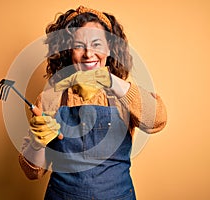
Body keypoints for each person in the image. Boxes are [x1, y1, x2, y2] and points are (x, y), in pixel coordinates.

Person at [18, 6, 167, 200]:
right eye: (79, 45)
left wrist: (111, 82)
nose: (89, 54)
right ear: (68, 51)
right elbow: (32, 173)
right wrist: (37, 143)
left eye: (97, 44)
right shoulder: (50, 98)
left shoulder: (124, 93)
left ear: (110, 48)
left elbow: (157, 121)